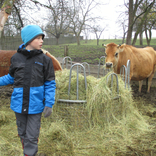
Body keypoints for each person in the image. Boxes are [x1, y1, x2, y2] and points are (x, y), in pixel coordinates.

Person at [0, 25, 56, 156]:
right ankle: (28, 153)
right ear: (29, 40)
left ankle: (30, 153)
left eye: (42, 38)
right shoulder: (16, 58)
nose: (41, 41)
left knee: (32, 135)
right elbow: (11, 77)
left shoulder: (45, 60)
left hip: (35, 106)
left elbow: (50, 83)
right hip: (18, 104)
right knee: (22, 133)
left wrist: (49, 103)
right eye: (38, 38)